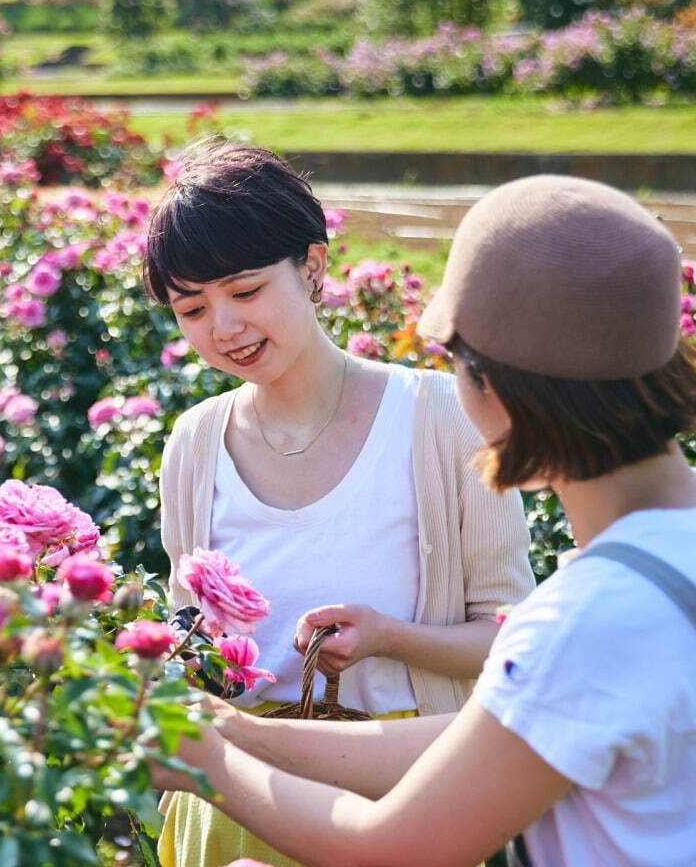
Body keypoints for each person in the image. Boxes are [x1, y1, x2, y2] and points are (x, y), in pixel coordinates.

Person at [152, 174, 696, 866]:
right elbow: (475, 742)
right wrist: (239, 734)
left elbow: (396, 845)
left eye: (452, 360)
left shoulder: (585, 623)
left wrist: (204, 757)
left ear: (494, 388)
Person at [145, 141, 534, 867]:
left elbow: (518, 647)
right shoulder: (196, 443)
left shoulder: (440, 417)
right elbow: (187, 642)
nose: (223, 327)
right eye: (191, 308)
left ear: (313, 268)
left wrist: (392, 637)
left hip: (399, 802)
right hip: (231, 801)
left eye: (245, 290)